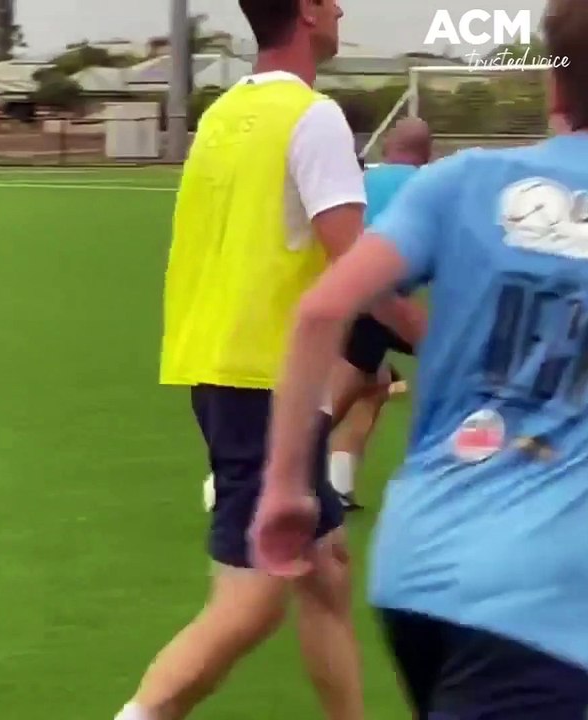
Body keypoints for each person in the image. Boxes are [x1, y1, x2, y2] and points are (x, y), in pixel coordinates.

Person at [251, 1, 588, 716]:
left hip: (420, 565)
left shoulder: (461, 182)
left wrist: (285, 490)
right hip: (546, 598)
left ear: (556, 90)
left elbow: (319, 310)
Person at [117, 1, 423, 717]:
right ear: (310, 12)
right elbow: (357, 264)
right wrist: (441, 336)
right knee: (250, 603)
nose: (343, 7)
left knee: (326, 570)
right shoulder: (311, 117)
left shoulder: (221, 115)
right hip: (266, 380)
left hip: (222, 364)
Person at [328, 117, 432, 510]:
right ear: (428, 152)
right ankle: (259, 472)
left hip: (352, 295)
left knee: (372, 384)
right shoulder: (429, 185)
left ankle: (337, 483)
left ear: (388, 146)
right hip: (387, 303)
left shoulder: (361, 183)